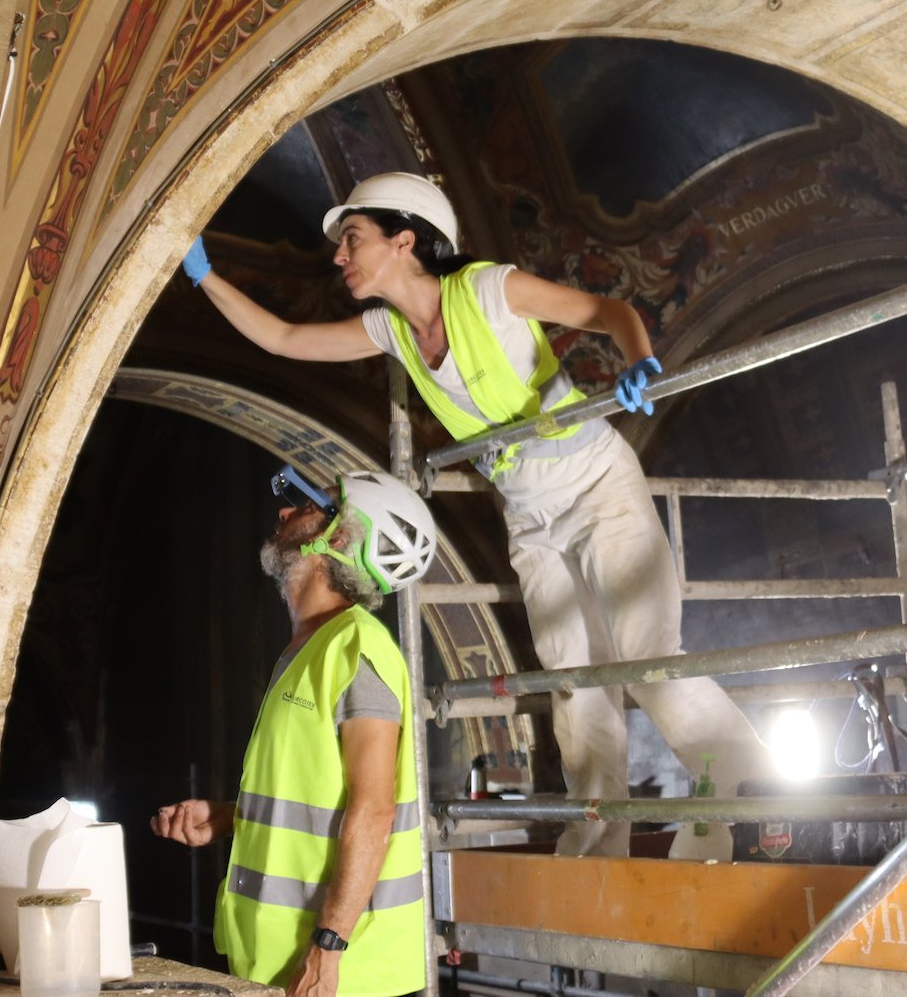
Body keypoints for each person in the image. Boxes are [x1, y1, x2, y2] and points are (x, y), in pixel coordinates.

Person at [181, 173, 775, 857]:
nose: (339, 256)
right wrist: (204, 275)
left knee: (645, 653)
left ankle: (745, 782)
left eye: (352, 238)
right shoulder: (391, 328)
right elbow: (285, 337)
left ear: (403, 239)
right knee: (570, 677)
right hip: (527, 511)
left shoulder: (490, 289)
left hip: (594, 483)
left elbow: (606, 310)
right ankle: (598, 829)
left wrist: (640, 360)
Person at [153, 467, 436, 997]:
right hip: (275, 958)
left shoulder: (357, 649)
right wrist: (235, 820)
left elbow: (375, 810)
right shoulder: (310, 648)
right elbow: (316, 802)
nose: (285, 513)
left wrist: (327, 950)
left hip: (339, 975)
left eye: (306, 507)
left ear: (342, 538)